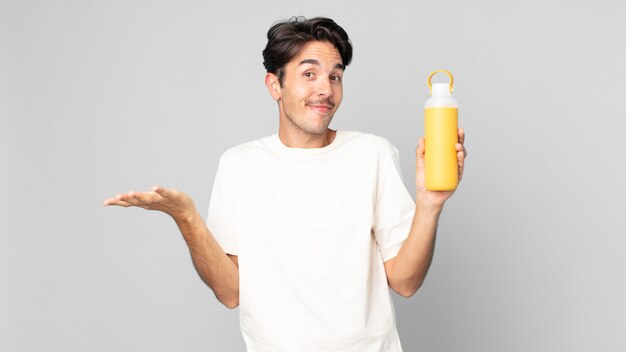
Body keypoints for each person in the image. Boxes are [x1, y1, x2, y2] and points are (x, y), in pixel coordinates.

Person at [104, 16, 467, 352]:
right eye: (309, 74)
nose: (325, 89)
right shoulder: (239, 165)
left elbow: (405, 282)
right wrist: (185, 217)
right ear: (274, 85)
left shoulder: (372, 154)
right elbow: (230, 292)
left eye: (335, 76)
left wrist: (430, 203)